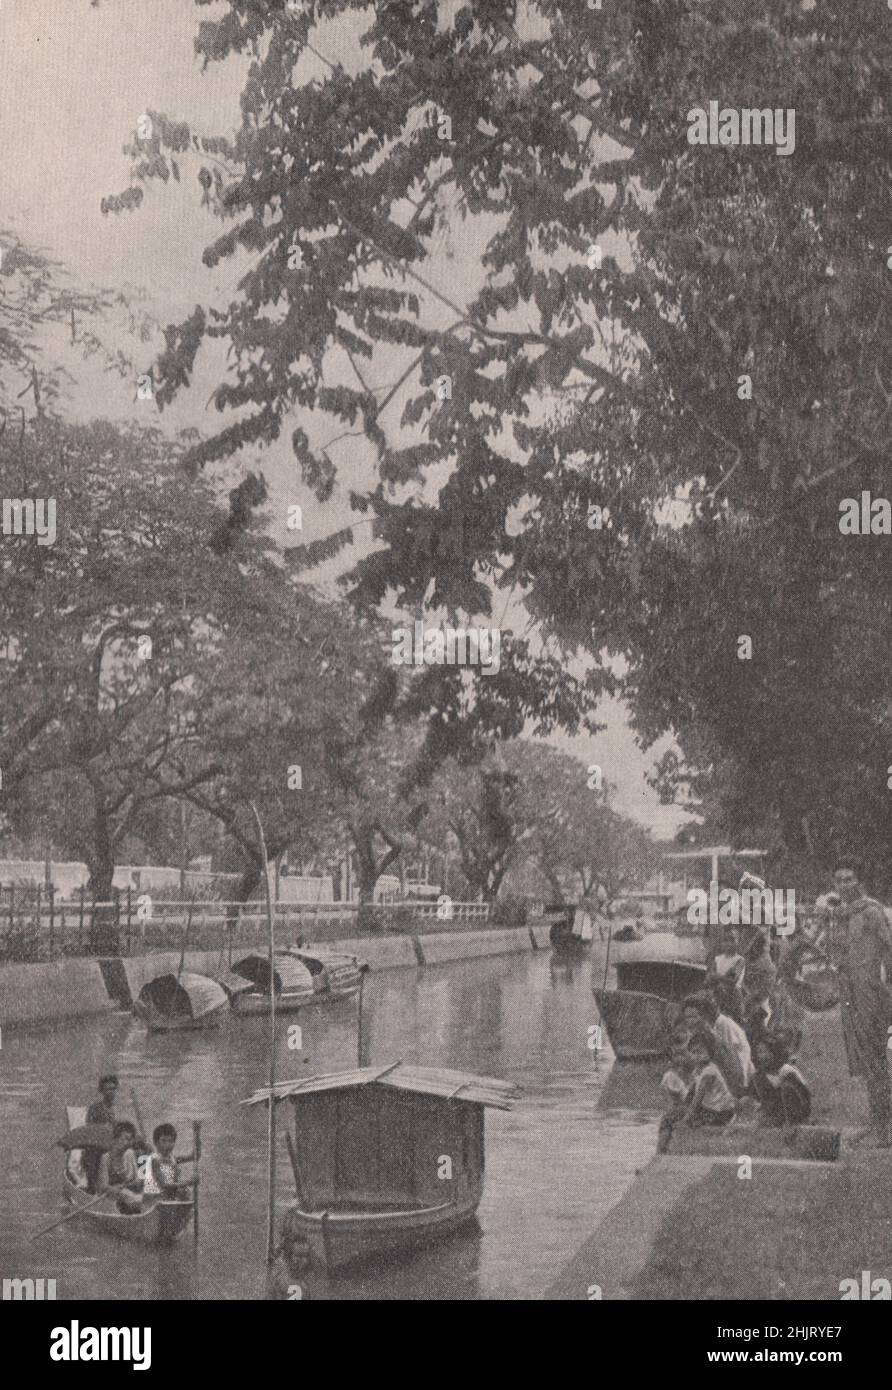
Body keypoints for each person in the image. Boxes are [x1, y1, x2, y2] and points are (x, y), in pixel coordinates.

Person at [825, 860, 892, 1147]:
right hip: (850, 993)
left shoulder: (872, 911)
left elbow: (888, 951)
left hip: (871, 993)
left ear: (859, 881)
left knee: (876, 1061)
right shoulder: (839, 915)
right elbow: (835, 954)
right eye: (839, 880)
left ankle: (883, 1129)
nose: (844, 884)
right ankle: (877, 1123)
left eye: (849, 879)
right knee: (865, 1061)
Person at [680, 992, 754, 1096]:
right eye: (687, 1017)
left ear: (703, 1016)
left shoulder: (712, 1036)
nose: (690, 1021)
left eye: (694, 1017)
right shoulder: (699, 1035)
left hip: (729, 1084)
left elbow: (730, 1064)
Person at [750, 1032, 812, 1127]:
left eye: (766, 1051)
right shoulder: (759, 1076)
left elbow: (804, 1096)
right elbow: (763, 1101)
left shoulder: (787, 1070)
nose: (762, 1056)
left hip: (792, 1114)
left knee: (787, 1088)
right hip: (774, 1114)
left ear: (774, 1052)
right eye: (759, 1052)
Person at [684, 1028, 736, 1128]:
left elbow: (699, 1096)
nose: (697, 1056)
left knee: (697, 1123)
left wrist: (688, 1116)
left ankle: (727, 1121)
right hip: (711, 1107)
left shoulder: (709, 1071)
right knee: (683, 1112)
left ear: (710, 1052)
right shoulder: (697, 1070)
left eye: (700, 1052)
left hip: (722, 1110)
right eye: (694, 1052)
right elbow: (692, 1090)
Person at [657, 1031, 695, 1153]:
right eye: (677, 1055)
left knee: (666, 1120)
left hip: (690, 1107)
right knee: (667, 1118)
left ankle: (660, 1152)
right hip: (685, 1106)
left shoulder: (682, 1073)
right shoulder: (672, 1076)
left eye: (683, 1054)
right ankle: (661, 1151)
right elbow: (670, 1100)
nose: (680, 1058)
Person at [143, 1123, 200, 1201]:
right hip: (155, 1199)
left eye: (171, 1141)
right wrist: (188, 1182)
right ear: (156, 1143)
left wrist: (197, 1134)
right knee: (183, 1189)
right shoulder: (154, 1160)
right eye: (163, 1141)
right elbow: (164, 1185)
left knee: (185, 1192)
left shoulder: (173, 1159)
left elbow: (195, 1155)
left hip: (169, 1196)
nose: (167, 1145)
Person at [97, 1120, 143, 1214]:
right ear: (116, 1139)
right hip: (111, 1200)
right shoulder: (106, 1158)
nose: (129, 1143)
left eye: (131, 1140)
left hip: (129, 1196)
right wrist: (114, 1188)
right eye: (126, 1138)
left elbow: (137, 1180)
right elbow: (103, 1187)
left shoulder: (130, 1154)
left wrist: (137, 1183)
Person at [84, 1074, 118, 1193]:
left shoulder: (116, 1110)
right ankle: (92, 1189)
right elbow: (89, 1127)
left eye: (113, 1089)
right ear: (102, 1091)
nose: (111, 1092)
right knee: (93, 1155)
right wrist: (103, 1128)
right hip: (98, 1144)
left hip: (114, 1143)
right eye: (108, 1089)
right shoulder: (95, 1108)